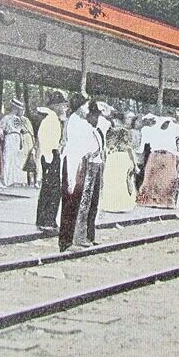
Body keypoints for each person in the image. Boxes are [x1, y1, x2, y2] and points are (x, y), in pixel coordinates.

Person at [59, 97, 104, 252]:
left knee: (75, 203)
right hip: (75, 162)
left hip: (80, 162)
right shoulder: (76, 122)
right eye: (85, 106)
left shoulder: (79, 122)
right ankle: (66, 241)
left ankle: (70, 239)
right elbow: (84, 146)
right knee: (71, 202)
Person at [35, 91, 67, 229]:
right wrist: (50, 158)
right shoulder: (51, 120)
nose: (63, 108)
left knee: (48, 189)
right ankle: (48, 219)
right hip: (51, 155)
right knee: (53, 189)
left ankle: (43, 219)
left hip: (50, 155)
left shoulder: (52, 119)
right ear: (56, 106)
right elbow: (46, 141)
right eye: (61, 105)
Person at [136, 116, 179, 208]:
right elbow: (142, 146)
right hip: (155, 155)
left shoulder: (175, 128)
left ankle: (164, 202)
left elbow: (177, 146)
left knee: (168, 180)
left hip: (169, 156)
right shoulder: (149, 129)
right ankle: (143, 201)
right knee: (148, 179)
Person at [100, 112, 138, 213]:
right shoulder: (124, 132)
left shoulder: (110, 132)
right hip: (121, 157)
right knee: (121, 180)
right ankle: (122, 204)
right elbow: (129, 148)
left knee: (113, 180)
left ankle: (111, 204)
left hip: (114, 157)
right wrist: (134, 163)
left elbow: (106, 147)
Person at [0, 98, 28, 187]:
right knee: (15, 158)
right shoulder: (18, 119)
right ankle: (13, 180)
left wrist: (2, 138)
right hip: (17, 137)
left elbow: (1, 130)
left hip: (11, 137)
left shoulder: (7, 118)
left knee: (9, 157)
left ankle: (8, 180)